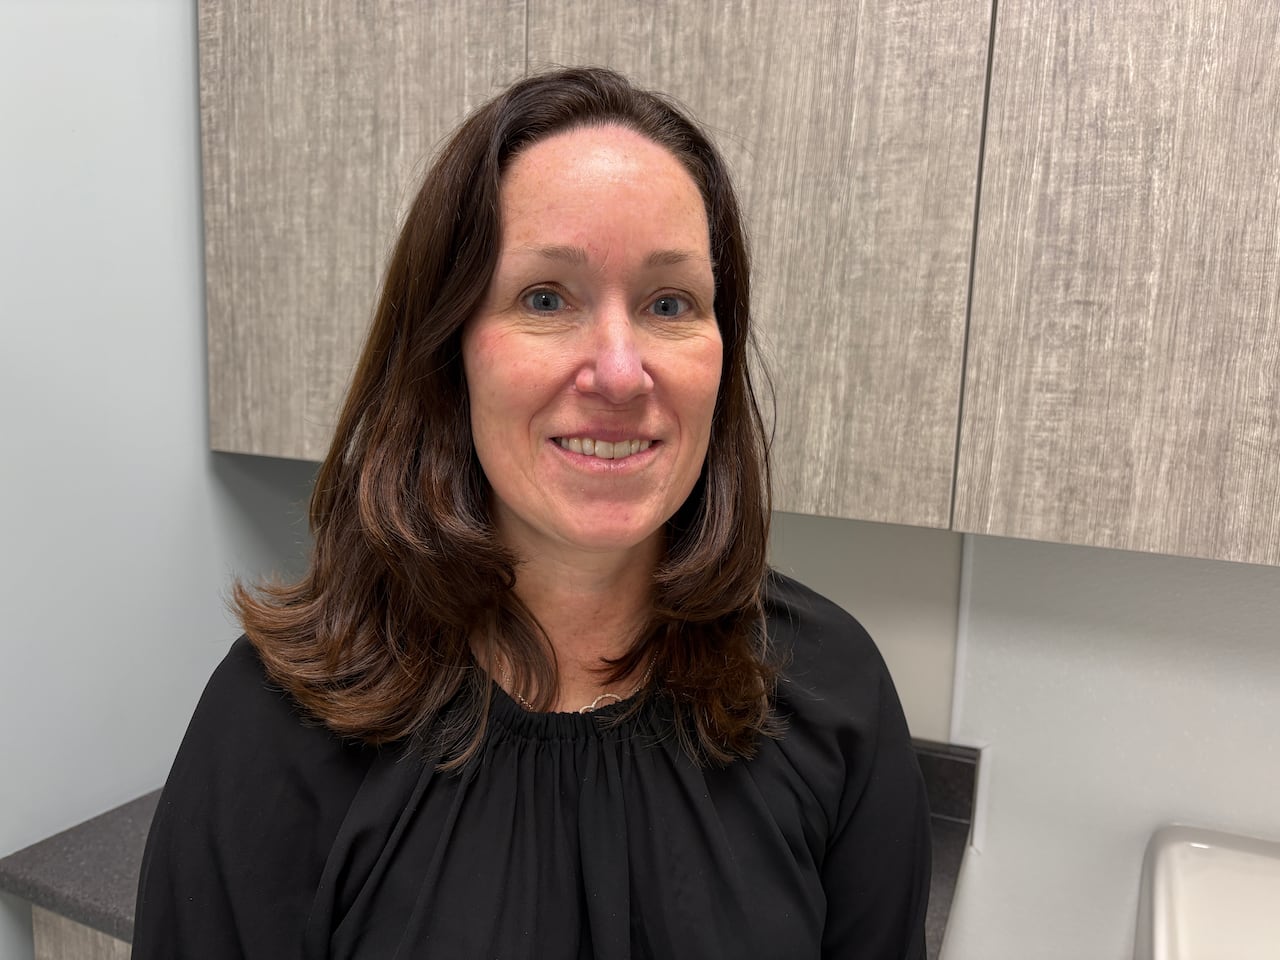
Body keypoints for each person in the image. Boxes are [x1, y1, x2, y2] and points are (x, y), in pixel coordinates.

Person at [133, 66, 930, 959]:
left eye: (671, 304)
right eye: (545, 298)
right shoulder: (274, 729)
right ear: (448, 354)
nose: (622, 374)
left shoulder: (834, 696)